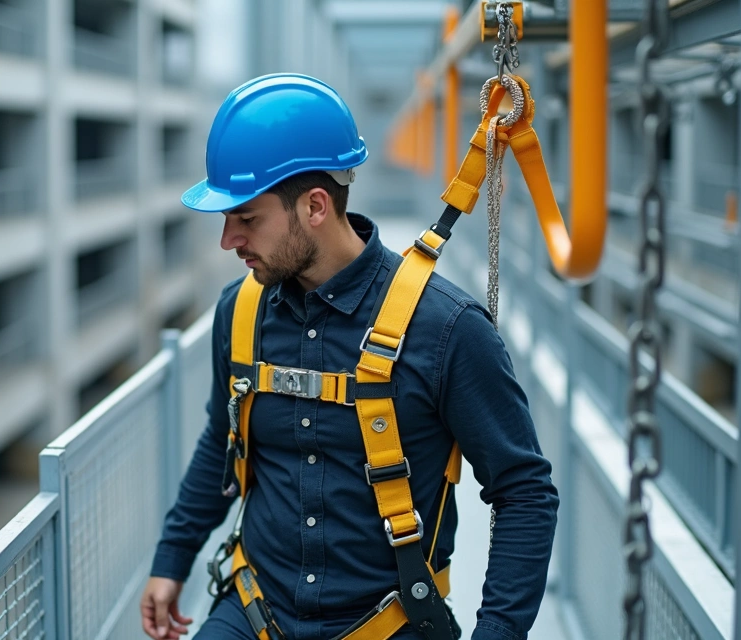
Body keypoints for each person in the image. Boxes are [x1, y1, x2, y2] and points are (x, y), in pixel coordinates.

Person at [140, 73, 558, 640]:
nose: (228, 241)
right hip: (255, 610)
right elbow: (223, 439)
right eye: (225, 220)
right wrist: (172, 559)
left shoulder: (445, 329)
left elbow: (524, 491)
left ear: (315, 206)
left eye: (247, 219)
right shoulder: (239, 316)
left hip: (390, 623)